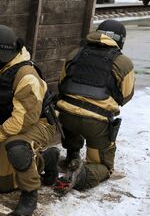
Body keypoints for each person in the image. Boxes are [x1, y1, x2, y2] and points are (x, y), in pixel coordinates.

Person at [0, 24, 59, 216]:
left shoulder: (26, 76)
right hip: (12, 124)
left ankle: (30, 194)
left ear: (2, 53)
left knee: (16, 147)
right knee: (4, 185)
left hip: (39, 124)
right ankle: (47, 159)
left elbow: (21, 121)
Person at [54, 19, 135, 195]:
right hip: (96, 123)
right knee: (103, 166)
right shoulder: (124, 63)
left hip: (65, 117)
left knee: (71, 119)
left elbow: (62, 83)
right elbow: (126, 96)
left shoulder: (75, 53)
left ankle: (71, 157)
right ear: (120, 40)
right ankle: (80, 174)